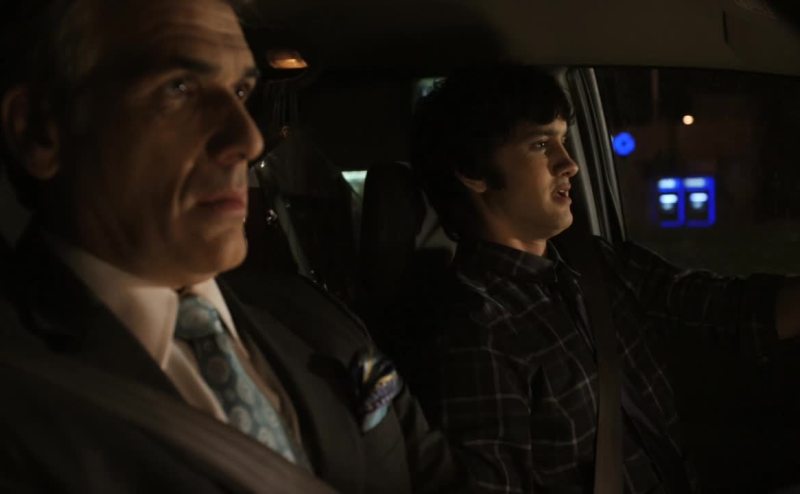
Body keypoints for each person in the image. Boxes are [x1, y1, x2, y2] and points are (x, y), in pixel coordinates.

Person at [0, 0, 465, 492]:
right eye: (179, 88)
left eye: (241, 91)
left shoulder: (312, 316)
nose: (248, 139)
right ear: (40, 131)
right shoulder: (21, 387)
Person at [410, 65, 800, 493]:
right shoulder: (476, 331)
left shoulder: (595, 264)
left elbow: (725, 310)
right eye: (540, 145)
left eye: (563, 140)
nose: (570, 163)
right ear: (473, 171)